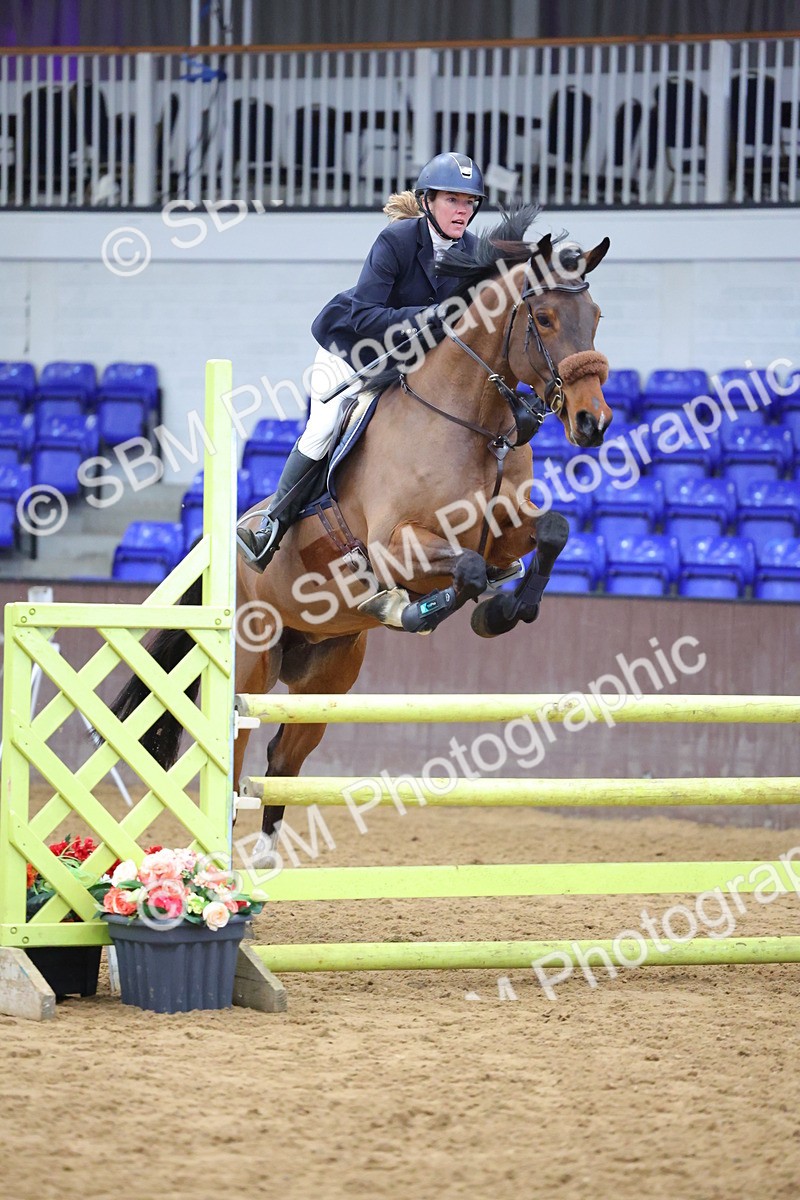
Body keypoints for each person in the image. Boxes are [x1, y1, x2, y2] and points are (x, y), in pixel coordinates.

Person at [236, 151, 486, 573]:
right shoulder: (397, 242)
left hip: (407, 367)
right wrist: (428, 317)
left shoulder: (476, 253)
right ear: (427, 201)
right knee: (323, 427)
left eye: (468, 202)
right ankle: (270, 527)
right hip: (351, 354)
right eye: (451, 200)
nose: (462, 210)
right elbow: (364, 314)